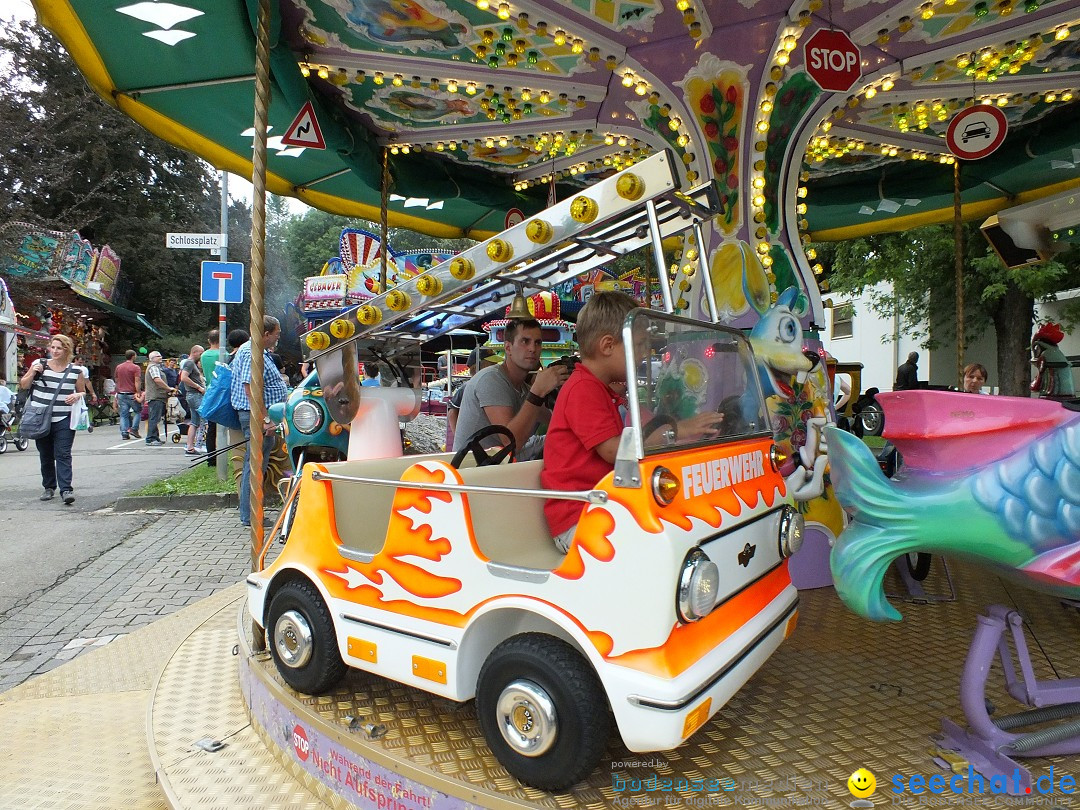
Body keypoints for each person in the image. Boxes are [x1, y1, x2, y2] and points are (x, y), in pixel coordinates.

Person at [451, 317, 570, 457]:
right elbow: (512, 442)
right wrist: (538, 391)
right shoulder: (490, 379)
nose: (533, 349)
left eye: (537, 343)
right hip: (473, 474)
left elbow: (557, 420)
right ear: (508, 348)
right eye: (525, 341)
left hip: (496, 470)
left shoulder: (523, 388)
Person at [230, 316, 288, 528]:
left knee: (256, 464)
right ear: (266, 334)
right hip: (255, 417)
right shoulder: (250, 352)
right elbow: (250, 388)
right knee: (254, 465)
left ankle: (252, 513)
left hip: (258, 415)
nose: (278, 337)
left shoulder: (257, 351)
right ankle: (251, 515)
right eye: (277, 334)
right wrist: (264, 419)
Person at [18, 334, 90, 504]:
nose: (55, 351)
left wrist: (77, 395)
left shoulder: (75, 371)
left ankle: (66, 490)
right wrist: (33, 372)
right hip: (40, 418)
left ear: (67, 349)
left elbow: (82, 391)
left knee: (63, 454)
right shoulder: (40, 364)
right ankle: (49, 487)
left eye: (60, 348)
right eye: (53, 347)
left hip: (64, 418)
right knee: (46, 454)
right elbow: (23, 384)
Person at [180, 345, 207, 454]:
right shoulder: (190, 363)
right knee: (205, 419)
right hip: (195, 394)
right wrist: (199, 387)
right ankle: (201, 444)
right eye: (200, 354)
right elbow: (184, 377)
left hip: (192, 395)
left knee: (194, 422)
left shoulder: (192, 364)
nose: (201, 357)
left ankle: (190, 447)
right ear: (194, 352)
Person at [201, 330, 221, 465]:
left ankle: (211, 458)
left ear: (209, 341)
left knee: (211, 427)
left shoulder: (204, 355)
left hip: (209, 391)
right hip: (222, 391)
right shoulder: (223, 354)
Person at [113, 349, 143, 440]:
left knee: (124, 414)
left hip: (121, 393)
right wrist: (138, 392)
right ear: (133, 356)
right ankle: (134, 428)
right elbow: (137, 380)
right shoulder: (135, 367)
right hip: (131, 392)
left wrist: (117, 390)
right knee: (138, 411)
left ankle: (124, 432)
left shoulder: (119, 367)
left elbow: (116, 379)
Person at [143, 351, 172, 446]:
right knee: (154, 418)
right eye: (158, 356)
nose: (161, 357)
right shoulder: (153, 367)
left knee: (156, 418)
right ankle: (151, 438)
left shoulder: (156, 367)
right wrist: (168, 388)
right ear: (152, 358)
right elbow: (157, 379)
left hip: (157, 396)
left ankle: (155, 437)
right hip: (156, 396)